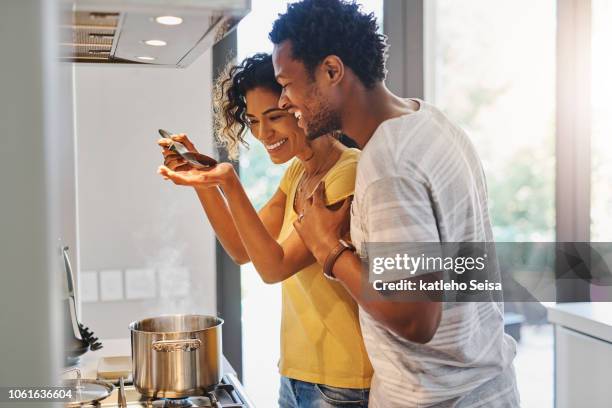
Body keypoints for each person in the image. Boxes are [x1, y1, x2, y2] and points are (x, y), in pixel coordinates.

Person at [268, 1, 520, 407]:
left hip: (436, 398)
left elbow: (414, 317)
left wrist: (328, 248)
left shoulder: (387, 163)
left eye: (287, 84)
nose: (283, 101)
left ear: (332, 71)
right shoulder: (431, 121)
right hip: (486, 386)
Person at [156, 53, 372, 407]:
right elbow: (243, 249)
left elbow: (274, 267)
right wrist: (204, 182)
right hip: (297, 372)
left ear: (303, 107)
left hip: (342, 380)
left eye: (274, 117)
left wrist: (228, 181)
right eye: (253, 121)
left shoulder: (346, 172)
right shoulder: (299, 172)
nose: (261, 133)